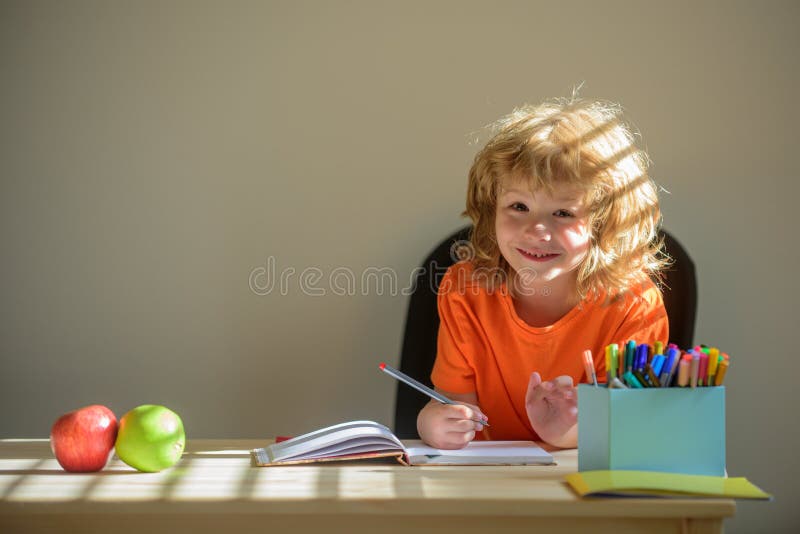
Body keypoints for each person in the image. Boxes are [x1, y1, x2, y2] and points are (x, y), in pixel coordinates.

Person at [417, 97, 670, 449]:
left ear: (605, 223)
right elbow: (452, 404)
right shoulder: (465, 290)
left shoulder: (634, 305)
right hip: (489, 485)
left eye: (563, 213)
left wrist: (565, 435)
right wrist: (433, 422)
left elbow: (630, 428)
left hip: (587, 489)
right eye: (518, 206)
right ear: (492, 208)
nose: (536, 230)